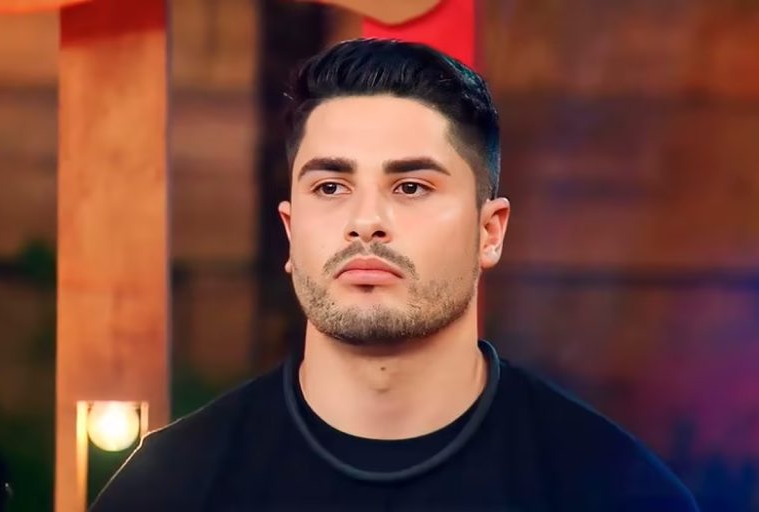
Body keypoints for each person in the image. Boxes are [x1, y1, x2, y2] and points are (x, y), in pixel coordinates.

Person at [90, 38, 699, 511]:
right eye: (331, 187)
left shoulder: (616, 493)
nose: (366, 222)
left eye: (410, 187)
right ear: (290, 230)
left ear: (490, 231)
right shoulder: (168, 489)